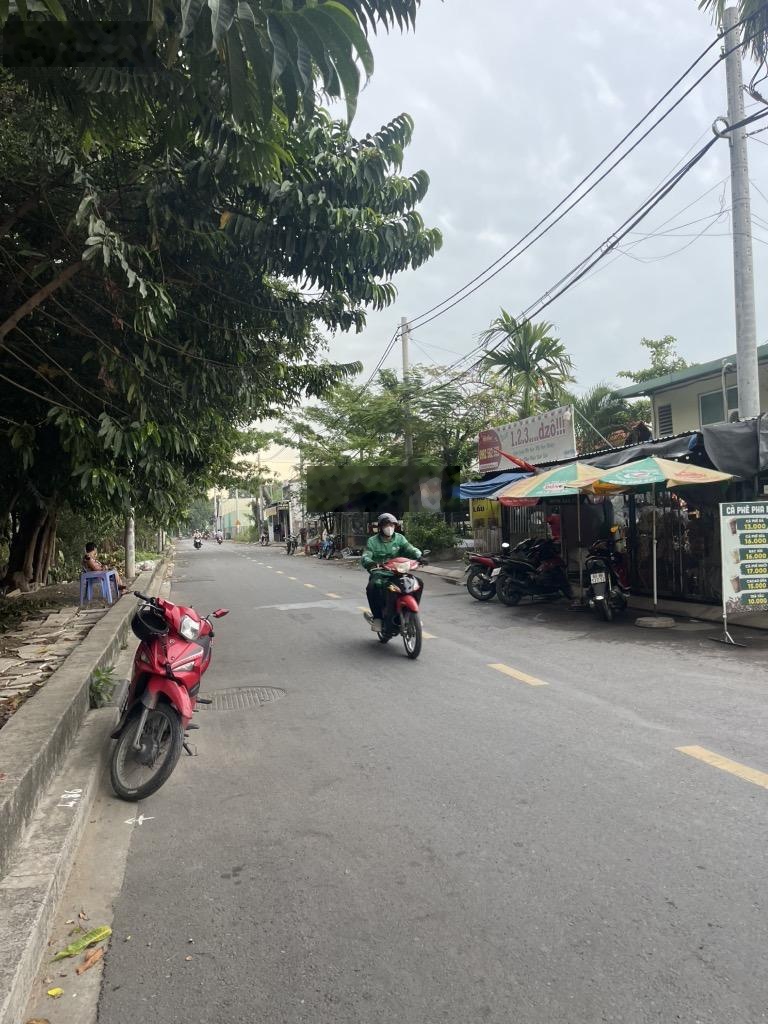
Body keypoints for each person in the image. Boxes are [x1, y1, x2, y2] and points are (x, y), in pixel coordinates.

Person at [361, 513, 422, 632]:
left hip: (398, 572)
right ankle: (377, 618)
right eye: (386, 525)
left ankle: (412, 614)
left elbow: (410, 549)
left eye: (392, 525)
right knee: (372, 587)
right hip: (380, 573)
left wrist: (419, 556)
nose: (389, 527)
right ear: (380, 527)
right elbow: (366, 556)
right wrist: (371, 563)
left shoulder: (400, 538)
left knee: (418, 583)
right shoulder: (372, 541)